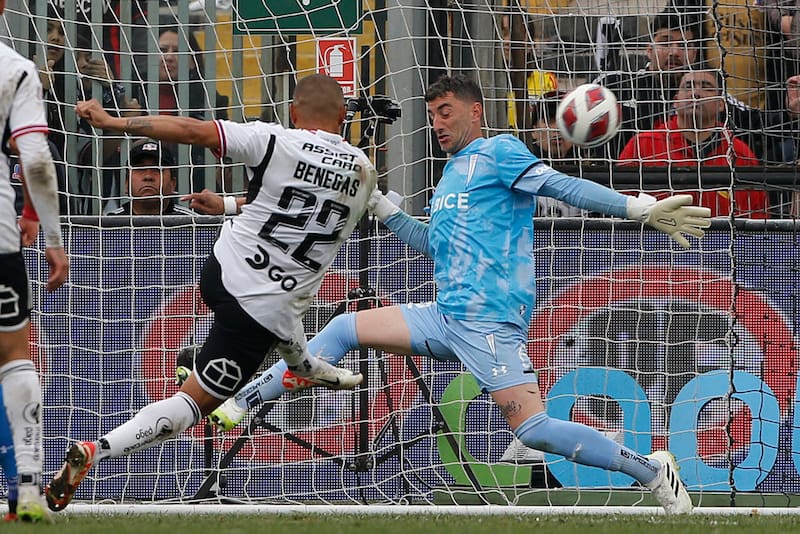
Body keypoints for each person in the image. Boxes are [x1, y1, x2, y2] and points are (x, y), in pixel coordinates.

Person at [209, 74, 711, 514]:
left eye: (445, 112)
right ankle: (239, 403)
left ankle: (649, 469)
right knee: (341, 328)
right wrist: (383, 207)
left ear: (476, 110)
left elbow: (560, 186)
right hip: (445, 315)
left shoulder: (500, 152)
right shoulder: (450, 175)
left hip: (488, 323)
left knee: (533, 430)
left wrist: (635, 208)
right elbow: (436, 245)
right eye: (431, 115)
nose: (438, 124)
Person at [44, 73, 374, 512]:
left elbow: (191, 130)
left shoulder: (274, 140)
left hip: (222, 269)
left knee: (285, 325)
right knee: (195, 404)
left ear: (294, 113)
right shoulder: (365, 172)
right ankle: (97, 450)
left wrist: (113, 122)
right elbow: (309, 207)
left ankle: (302, 366)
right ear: (342, 116)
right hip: (262, 309)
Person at [1, 0, 70, 521]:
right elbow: (38, 160)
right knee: (13, 356)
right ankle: (27, 485)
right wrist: (52, 235)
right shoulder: (15, 68)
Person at [618, 70, 768, 219]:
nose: (695, 93)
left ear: (721, 104)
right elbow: (620, 204)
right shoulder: (642, 145)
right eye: (688, 86)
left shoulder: (739, 153)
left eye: (707, 87)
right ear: (675, 101)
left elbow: (758, 216)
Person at [106, 138, 194, 216]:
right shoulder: (108, 226)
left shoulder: (193, 224)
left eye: (157, 169)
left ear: (173, 184)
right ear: (126, 183)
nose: (148, 176)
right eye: (140, 169)